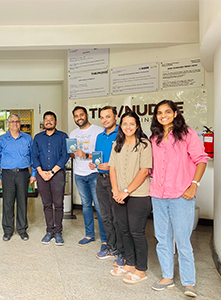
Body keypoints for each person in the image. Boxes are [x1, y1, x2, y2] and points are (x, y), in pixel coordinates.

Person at [150, 100, 208, 297]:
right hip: (158, 194)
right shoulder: (154, 138)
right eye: (159, 112)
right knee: (162, 238)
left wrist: (194, 185)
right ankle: (167, 277)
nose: (163, 115)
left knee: (183, 240)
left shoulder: (187, 134)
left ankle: (188, 282)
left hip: (181, 194)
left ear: (175, 113)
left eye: (167, 111)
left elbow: (201, 160)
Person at [108, 111, 152, 284]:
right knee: (124, 230)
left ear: (137, 126)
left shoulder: (144, 144)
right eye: (125, 124)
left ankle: (141, 270)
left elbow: (144, 171)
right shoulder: (116, 144)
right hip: (119, 195)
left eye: (131, 124)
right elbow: (112, 168)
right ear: (121, 126)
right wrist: (115, 191)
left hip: (138, 196)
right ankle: (130, 263)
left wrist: (126, 191)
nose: (128, 127)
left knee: (136, 232)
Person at [88, 106, 125, 266]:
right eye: (102, 117)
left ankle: (123, 251)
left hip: (116, 180)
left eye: (108, 117)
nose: (105, 120)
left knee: (118, 217)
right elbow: (98, 157)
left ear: (116, 117)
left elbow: (125, 160)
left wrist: (110, 167)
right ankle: (111, 247)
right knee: (105, 216)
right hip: (100, 179)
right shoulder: (100, 136)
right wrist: (94, 164)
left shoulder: (122, 135)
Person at [0, 114, 36, 241]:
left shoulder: (28, 138)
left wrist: (33, 173)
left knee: (22, 202)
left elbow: (33, 157)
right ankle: (8, 230)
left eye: (17, 121)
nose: (15, 124)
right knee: (8, 202)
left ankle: (22, 230)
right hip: (7, 174)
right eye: (12, 121)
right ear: (8, 124)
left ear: (20, 123)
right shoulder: (1, 139)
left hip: (23, 173)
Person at [70, 106, 107, 248]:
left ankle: (104, 239)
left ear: (86, 115)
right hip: (79, 174)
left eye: (81, 115)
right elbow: (72, 154)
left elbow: (102, 153)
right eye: (76, 116)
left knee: (99, 206)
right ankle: (89, 234)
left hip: (94, 174)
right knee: (86, 206)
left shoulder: (98, 131)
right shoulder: (73, 133)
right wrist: (72, 153)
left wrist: (86, 155)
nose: (79, 118)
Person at [32, 111, 69, 245]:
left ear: (55, 122)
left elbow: (65, 155)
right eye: (46, 120)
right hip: (41, 174)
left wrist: (52, 172)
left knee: (58, 204)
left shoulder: (63, 136)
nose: (48, 122)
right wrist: (41, 172)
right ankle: (49, 231)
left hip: (57, 174)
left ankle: (58, 232)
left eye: (51, 120)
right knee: (46, 204)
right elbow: (34, 156)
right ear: (43, 122)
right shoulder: (37, 137)